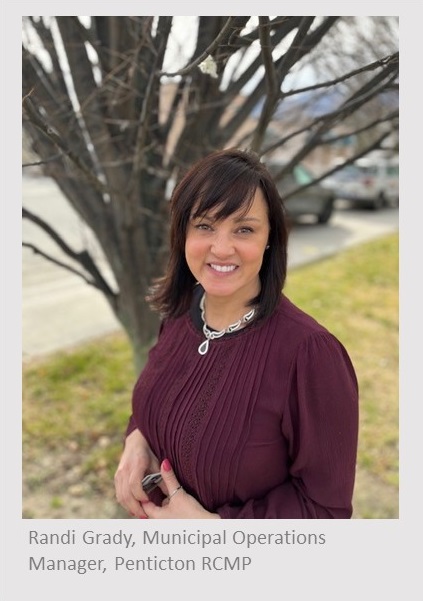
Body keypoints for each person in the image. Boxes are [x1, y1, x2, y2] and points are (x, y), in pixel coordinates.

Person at [114, 147, 359, 519]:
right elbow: (160, 399)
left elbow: (326, 511)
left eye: (244, 229)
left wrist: (214, 531)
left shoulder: (310, 355)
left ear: (269, 238)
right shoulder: (181, 312)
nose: (222, 248)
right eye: (205, 225)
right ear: (182, 234)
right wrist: (138, 440)